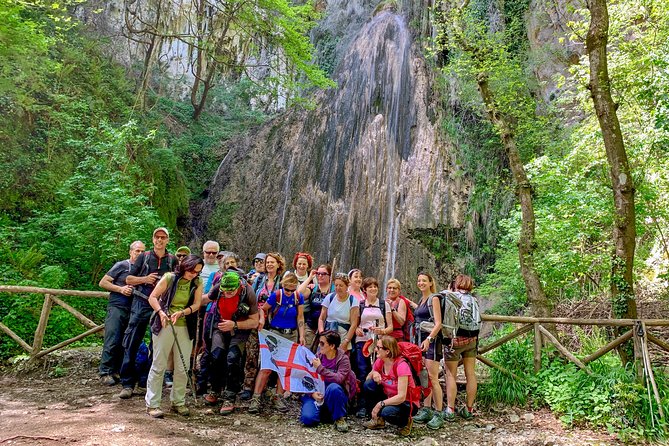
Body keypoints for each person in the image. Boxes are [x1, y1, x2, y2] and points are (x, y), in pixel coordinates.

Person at [118, 227, 177, 399]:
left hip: (160, 306)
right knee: (132, 342)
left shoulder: (172, 260)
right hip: (141, 302)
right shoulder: (144, 257)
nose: (160, 240)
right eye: (157, 237)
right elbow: (128, 279)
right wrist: (145, 279)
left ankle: (147, 383)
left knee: (156, 346)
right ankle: (127, 383)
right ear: (153, 239)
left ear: (167, 240)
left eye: (163, 237)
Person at [145, 254, 204, 418]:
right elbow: (153, 297)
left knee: (182, 367)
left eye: (197, 272)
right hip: (164, 324)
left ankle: (178, 401)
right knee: (159, 364)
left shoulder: (197, 283)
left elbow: (197, 304)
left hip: (185, 326)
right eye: (192, 270)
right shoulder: (169, 277)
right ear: (185, 266)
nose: (194, 274)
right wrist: (161, 313)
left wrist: (182, 312)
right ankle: (153, 404)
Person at [203, 271, 259, 415]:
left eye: (231, 292)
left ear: (238, 286)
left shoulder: (248, 292)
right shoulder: (218, 288)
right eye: (224, 291)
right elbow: (206, 299)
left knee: (232, 358)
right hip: (220, 325)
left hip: (240, 327)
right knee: (216, 355)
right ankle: (215, 390)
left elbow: (254, 321)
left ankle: (230, 396)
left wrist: (234, 325)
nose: (227, 294)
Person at [248, 272, 305, 414]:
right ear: (283, 286)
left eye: (293, 290)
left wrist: (301, 335)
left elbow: (300, 316)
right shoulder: (277, 295)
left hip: (290, 334)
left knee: (284, 368)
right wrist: (262, 319)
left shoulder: (298, 297)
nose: (290, 292)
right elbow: (263, 308)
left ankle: (278, 396)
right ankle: (256, 397)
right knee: (267, 366)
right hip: (275, 333)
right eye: (288, 289)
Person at [98, 240, 146, 385]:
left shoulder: (143, 269)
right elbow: (103, 282)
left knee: (125, 342)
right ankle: (105, 371)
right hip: (117, 307)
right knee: (112, 338)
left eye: (143, 251)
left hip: (133, 309)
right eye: (137, 250)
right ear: (131, 251)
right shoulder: (121, 265)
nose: (140, 253)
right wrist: (121, 289)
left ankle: (118, 371)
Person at [241, 252, 285, 400]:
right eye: (267, 262)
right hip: (255, 321)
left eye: (273, 262)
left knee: (267, 357)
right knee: (251, 354)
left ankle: (263, 387)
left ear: (279, 264)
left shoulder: (282, 282)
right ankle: (247, 386)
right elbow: (251, 297)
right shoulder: (259, 279)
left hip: (273, 324)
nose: (269, 265)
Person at [300, 331, 356, 432]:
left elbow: (339, 379)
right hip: (318, 394)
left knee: (334, 387)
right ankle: (326, 413)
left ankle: (339, 418)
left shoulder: (343, 359)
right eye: (319, 343)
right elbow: (307, 378)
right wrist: (312, 393)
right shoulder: (317, 357)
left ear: (332, 346)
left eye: (322, 343)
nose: (319, 346)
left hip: (334, 395)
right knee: (307, 419)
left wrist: (320, 368)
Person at [362, 336, 417, 436]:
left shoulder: (401, 366)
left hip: (406, 403)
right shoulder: (381, 361)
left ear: (387, 351)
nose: (375, 349)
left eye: (378, 348)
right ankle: (378, 420)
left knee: (387, 412)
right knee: (369, 385)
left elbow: (401, 397)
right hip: (390, 396)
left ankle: (406, 422)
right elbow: (367, 379)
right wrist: (374, 373)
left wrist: (380, 404)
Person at [353, 277, 392, 417]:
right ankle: (362, 405)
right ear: (364, 290)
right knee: (363, 372)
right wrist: (357, 328)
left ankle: (378, 405)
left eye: (375, 286)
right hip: (363, 341)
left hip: (379, 343)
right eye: (370, 287)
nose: (373, 289)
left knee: (379, 372)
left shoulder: (384, 304)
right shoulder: (360, 304)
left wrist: (381, 331)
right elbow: (356, 323)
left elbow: (390, 327)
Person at [443, 274, 480, 421]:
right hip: (472, 340)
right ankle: (469, 409)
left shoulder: (451, 296)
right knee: (470, 374)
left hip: (455, 340)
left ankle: (450, 409)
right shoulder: (474, 300)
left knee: (451, 374)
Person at [412, 272, 445, 429]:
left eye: (424, 280)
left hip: (432, 341)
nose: (421, 283)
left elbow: (438, 323)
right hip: (420, 341)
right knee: (424, 376)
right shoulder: (422, 299)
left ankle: (439, 413)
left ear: (431, 283)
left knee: (433, 377)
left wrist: (429, 339)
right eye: (419, 280)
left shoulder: (434, 298)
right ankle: (426, 409)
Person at [318, 273, 359, 354]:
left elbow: (354, 324)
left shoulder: (353, 301)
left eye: (341, 285)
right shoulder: (329, 297)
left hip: (343, 338)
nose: (338, 288)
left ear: (347, 286)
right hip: (327, 337)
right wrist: (322, 335)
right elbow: (321, 319)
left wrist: (346, 342)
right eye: (336, 285)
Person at [297, 263, 334, 349]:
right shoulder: (313, 288)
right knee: (306, 351)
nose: (320, 276)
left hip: (327, 328)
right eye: (318, 273)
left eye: (324, 274)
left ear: (330, 275)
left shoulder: (334, 290)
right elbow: (299, 293)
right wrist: (310, 278)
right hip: (311, 326)